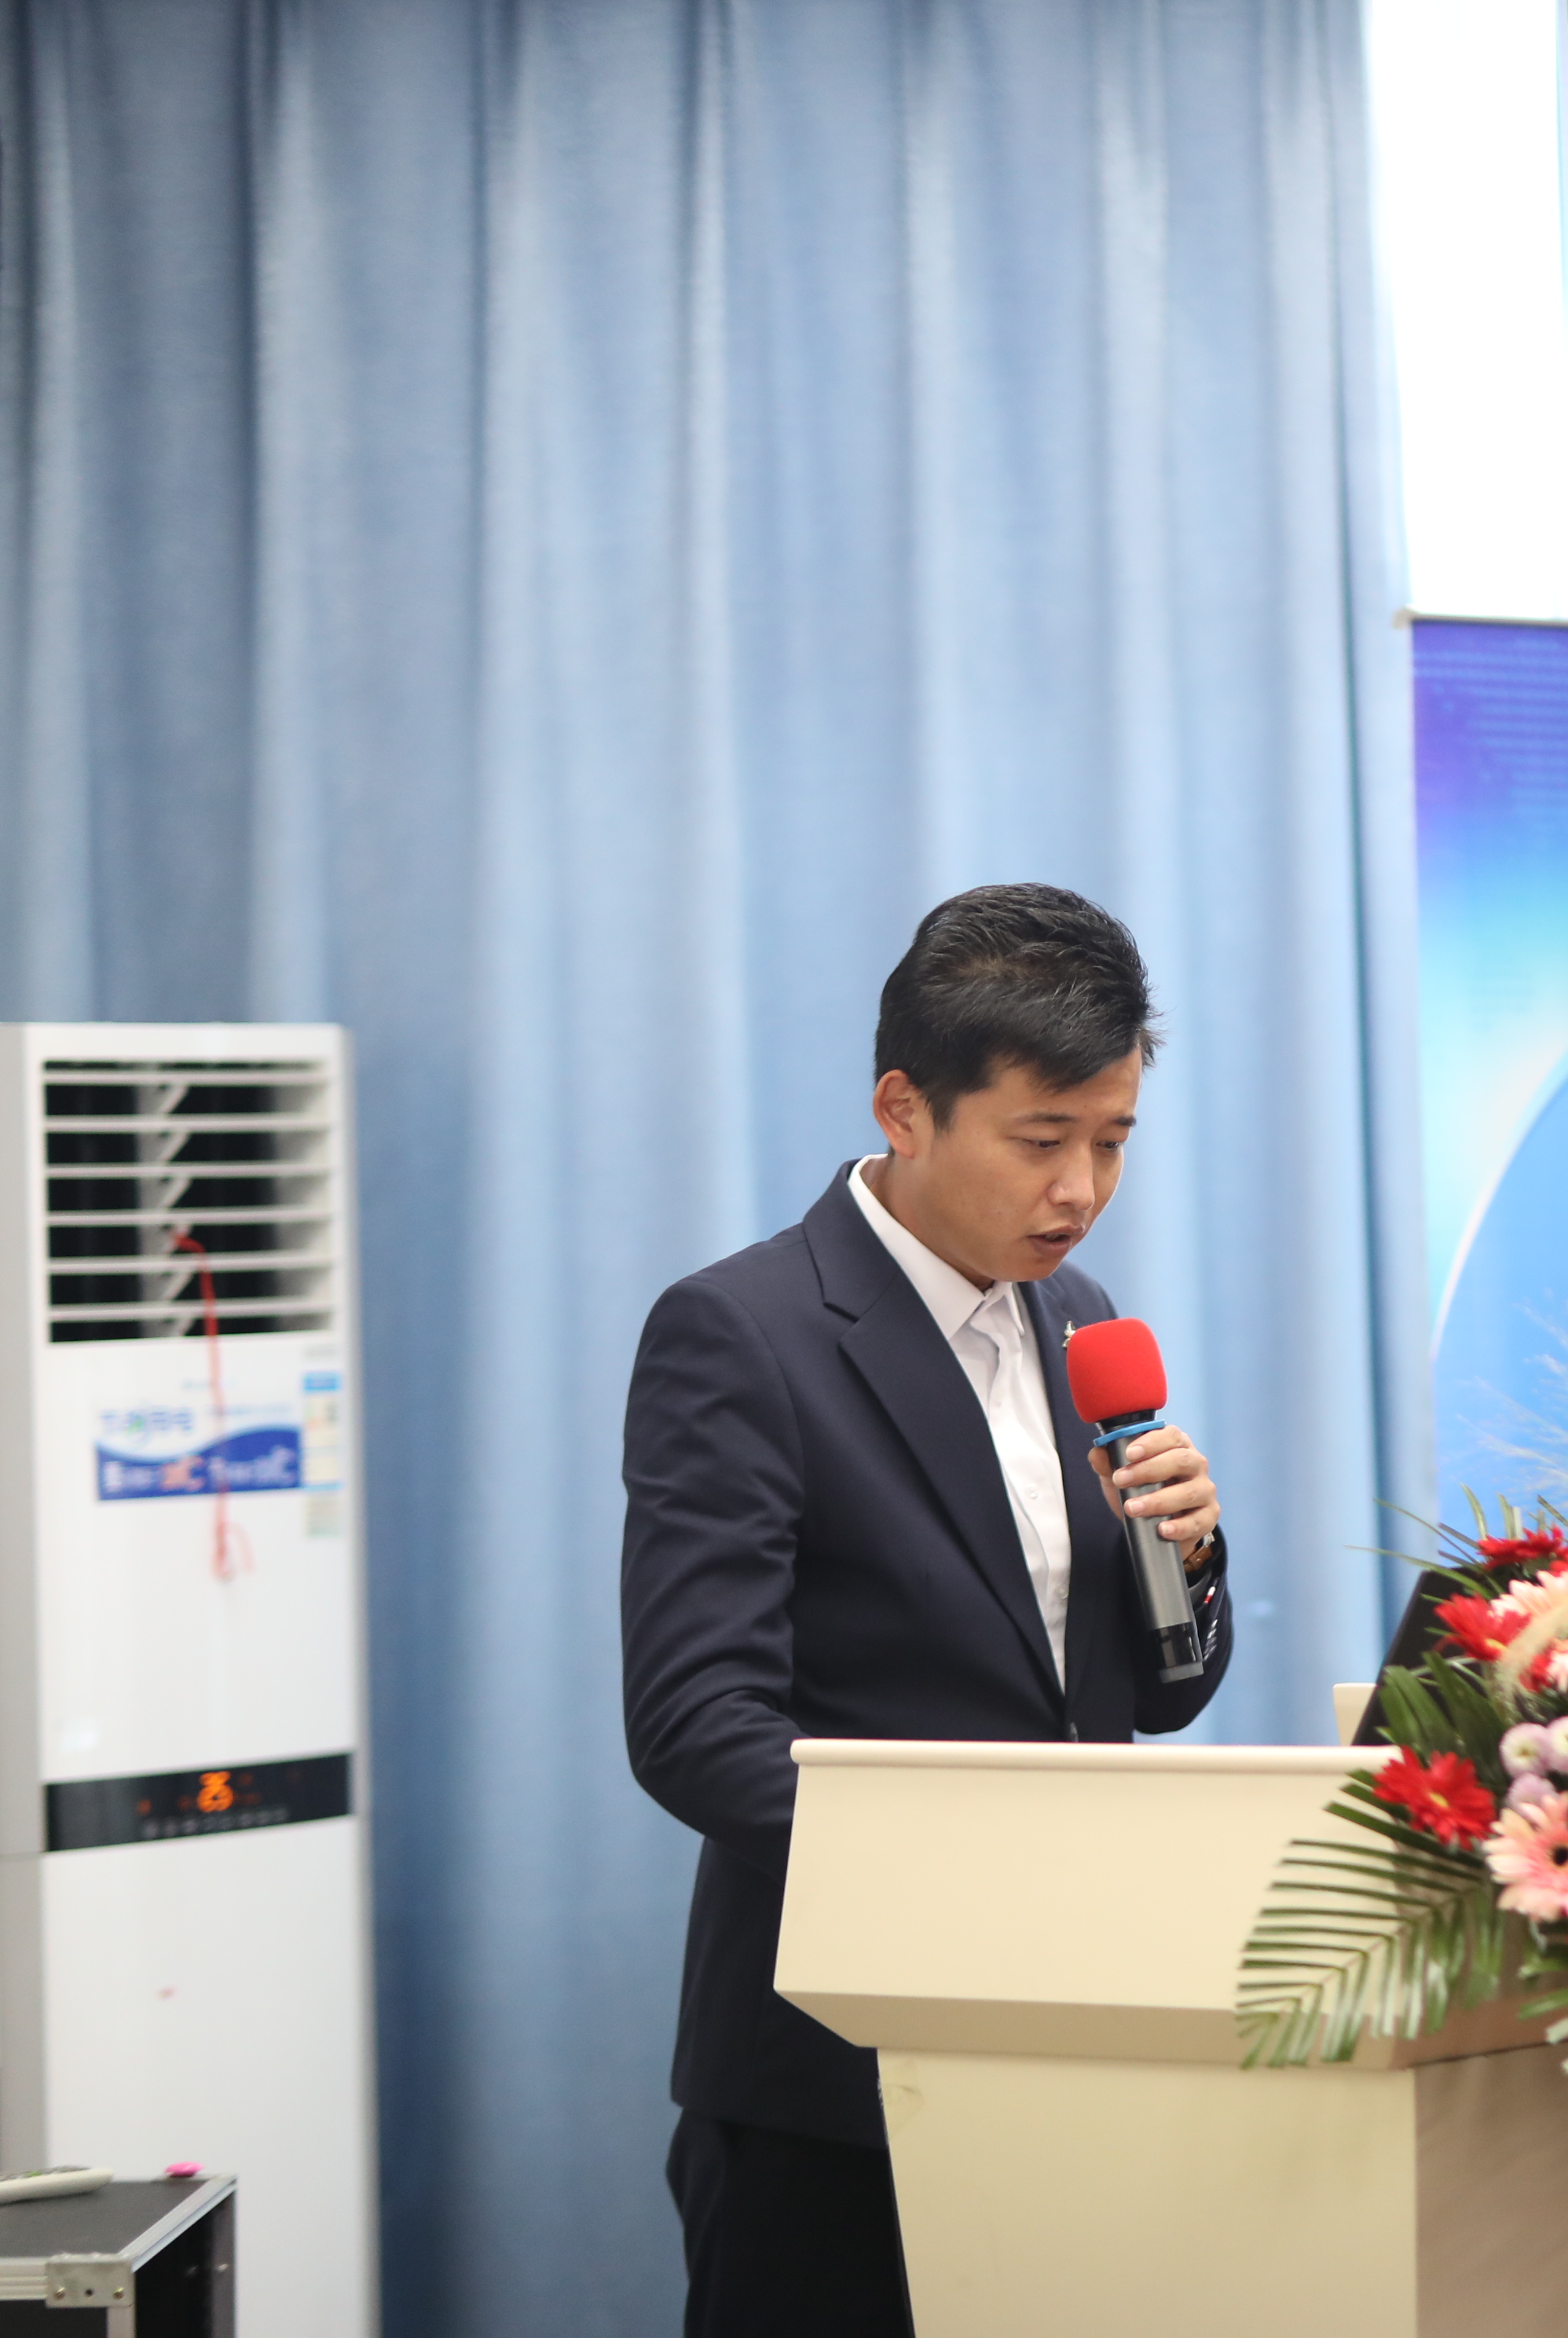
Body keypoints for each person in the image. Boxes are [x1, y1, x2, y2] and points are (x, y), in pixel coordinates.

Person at [620, 884, 1235, 2336]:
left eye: (1113, 1141)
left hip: (1076, 2035)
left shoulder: (1082, 1317)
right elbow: (696, 1727)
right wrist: (981, 1866)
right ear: (905, 1108)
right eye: (1042, 1140)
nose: (1081, 1189)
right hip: (838, 2078)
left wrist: (1191, 1560)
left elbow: (1153, 1698)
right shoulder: (745, 1331)